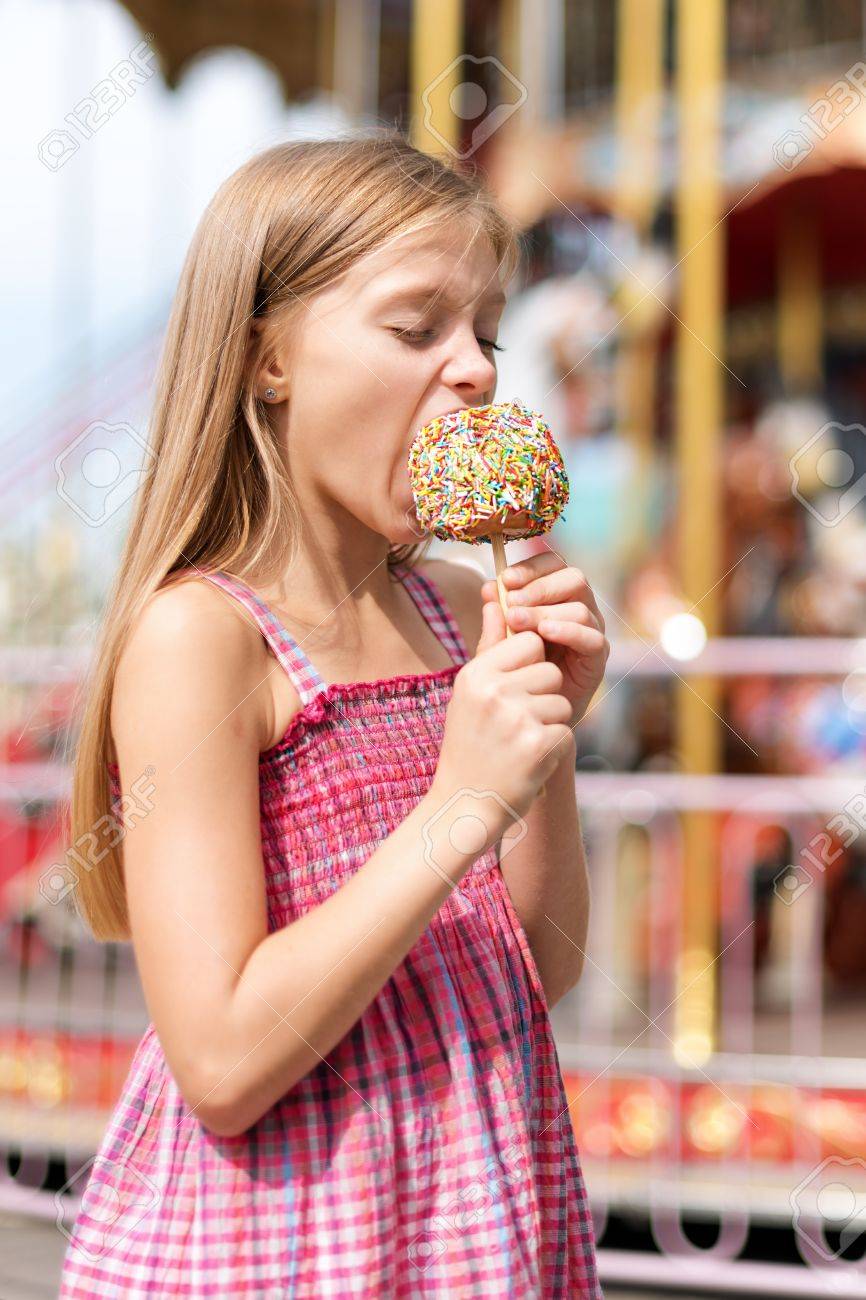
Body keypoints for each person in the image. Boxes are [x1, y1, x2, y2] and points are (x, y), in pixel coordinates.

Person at [59, 132, 607, 1298]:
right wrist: (458, 803)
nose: (473, 372)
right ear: (268, 359)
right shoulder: (203, 638)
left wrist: (544, 741)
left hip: (473, 1200)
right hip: (290, 1230)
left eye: (486, 334)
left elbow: (537, 968)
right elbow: (220, 1058)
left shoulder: (461, 607)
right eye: (417, 329)